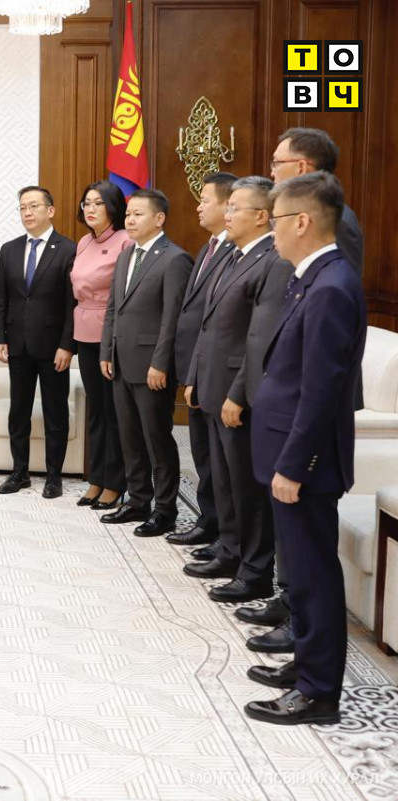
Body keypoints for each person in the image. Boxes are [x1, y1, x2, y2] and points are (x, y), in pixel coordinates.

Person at [243, 171, 365, 726]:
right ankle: (307, 664)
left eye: (274, 221)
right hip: (287, 452)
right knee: (301, 571)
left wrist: (295, 465)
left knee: (313, 575)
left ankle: (318, 692)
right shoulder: (310, 277)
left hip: (304, 463)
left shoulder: (332, 286)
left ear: (302, 221)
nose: (270, 232)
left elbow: (321, 391)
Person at [183, 177, 286, 605]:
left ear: (261, 216)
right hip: (211, 381)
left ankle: (255, 571)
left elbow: (259, 339)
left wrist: (239, 394)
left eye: (235, 208)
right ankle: (229, 550)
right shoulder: (230, 254)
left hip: (237, 392)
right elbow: (207, 325)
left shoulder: (272, 261)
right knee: (222, 480)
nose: (227, 214)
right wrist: (194, 374)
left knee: (246, 486)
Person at [99, 188, 192, 536]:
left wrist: (161, 363)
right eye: (128, 214)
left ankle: (165, 509)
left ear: (159, 219)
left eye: (138, 214)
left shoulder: (174, 259)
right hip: (121, 362)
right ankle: (138, 500)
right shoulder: (126, 254)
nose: (130, 219)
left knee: (157, 440)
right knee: (130, 437)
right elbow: (114, 308)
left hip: (152, 366)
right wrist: (106, 351)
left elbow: (173, 318)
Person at [0, 185, 76, 497]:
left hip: (54, 347)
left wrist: (67, 345)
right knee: (19, 411)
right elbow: (0, 297)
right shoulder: (9, 249)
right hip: (18, 345)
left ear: (50, 210)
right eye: (23, 207)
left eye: (34, 206)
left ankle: (54, 476)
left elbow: (72, 303)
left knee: (55, 412)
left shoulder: (69, 249)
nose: (27, 213)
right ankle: (19, 472)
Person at [168, 172, 236, 549]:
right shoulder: (208, 248)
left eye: (205, 200)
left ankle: (225, 534)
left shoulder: (234, 253)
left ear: (228, 206)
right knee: (203, 454)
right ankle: (209, 522)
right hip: (198, 369)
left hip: (219, 374)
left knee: (220, 463)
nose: (198, 206)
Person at [71, 181, 132, 510]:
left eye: (98, 203)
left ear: (113, 207)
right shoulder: (83, 242)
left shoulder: (125, 240)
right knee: (96, 410)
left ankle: (114, 482)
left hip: (111, 337)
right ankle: (96, 479)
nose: (90, 209)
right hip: (84, 334)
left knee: (113, 412)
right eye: (87, 203)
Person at [270, 127, 362, 276]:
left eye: (277, 163)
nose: (272, 172)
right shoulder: (292, 212)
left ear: (301, 167)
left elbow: (339, 280)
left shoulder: (339, 221)